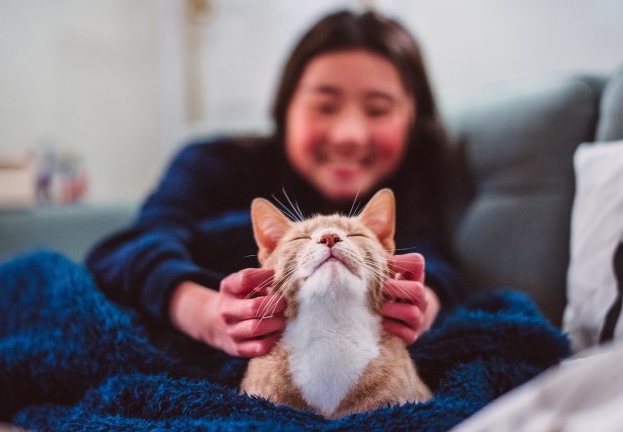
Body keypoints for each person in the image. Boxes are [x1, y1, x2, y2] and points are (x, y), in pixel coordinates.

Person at [86, 10, 465, 358]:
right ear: (286, 108)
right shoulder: (210, 162)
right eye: (325, 106)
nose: (350, 134)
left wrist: (423, 304)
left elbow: (439, 269)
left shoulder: (414, 186)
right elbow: (133, 245)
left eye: (378, 110)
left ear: (414, 121)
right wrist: (206, 313)